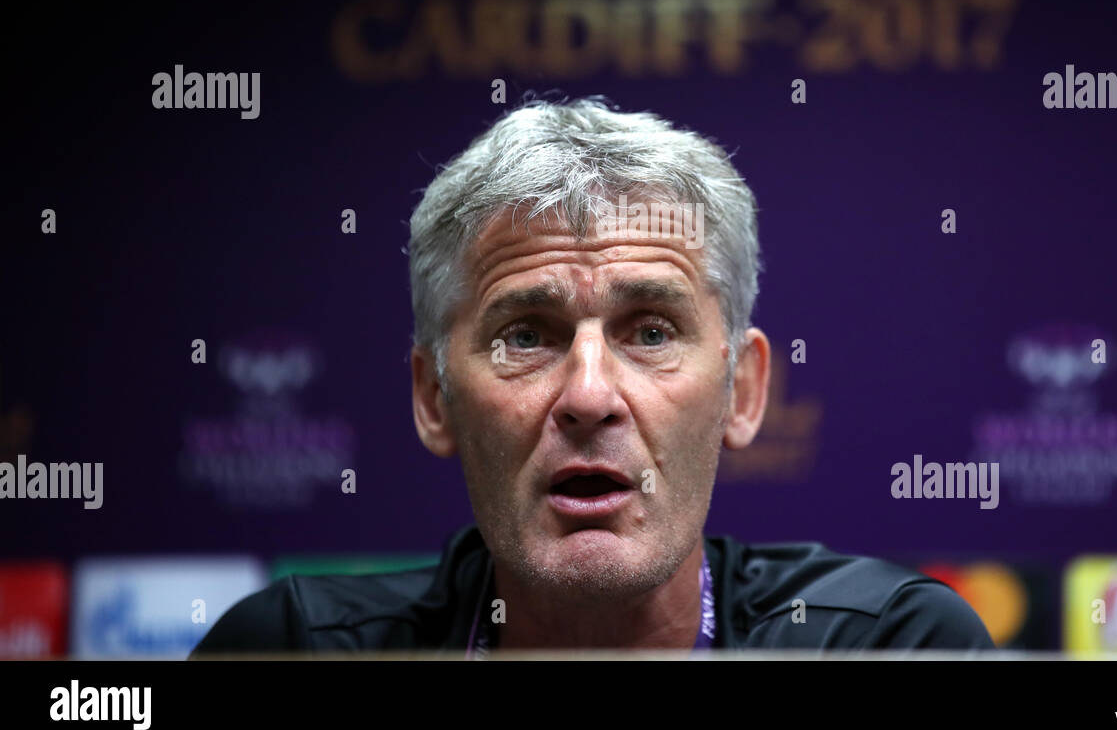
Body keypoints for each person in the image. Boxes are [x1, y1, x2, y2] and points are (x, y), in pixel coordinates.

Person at [191, 96, 994, 656]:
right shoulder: (287, 651)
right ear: (434, 396)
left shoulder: (889, 648)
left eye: (650, 330)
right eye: (525, 335)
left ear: (742, 390)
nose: (588, 396)